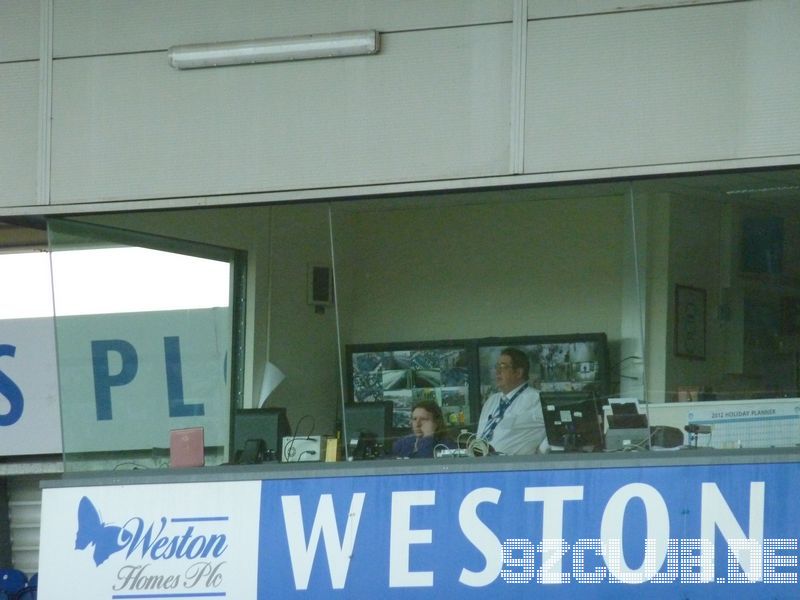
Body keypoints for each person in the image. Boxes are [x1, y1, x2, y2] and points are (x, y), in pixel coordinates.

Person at [476, 347, 546, 455]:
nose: (497, 371)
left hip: (512, 468)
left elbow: (553, 433)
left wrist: (543, 452)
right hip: (480, 465)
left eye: (503, 367)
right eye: (497, 366)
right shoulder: (491, 401)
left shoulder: (537, 400)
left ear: (518, 373)